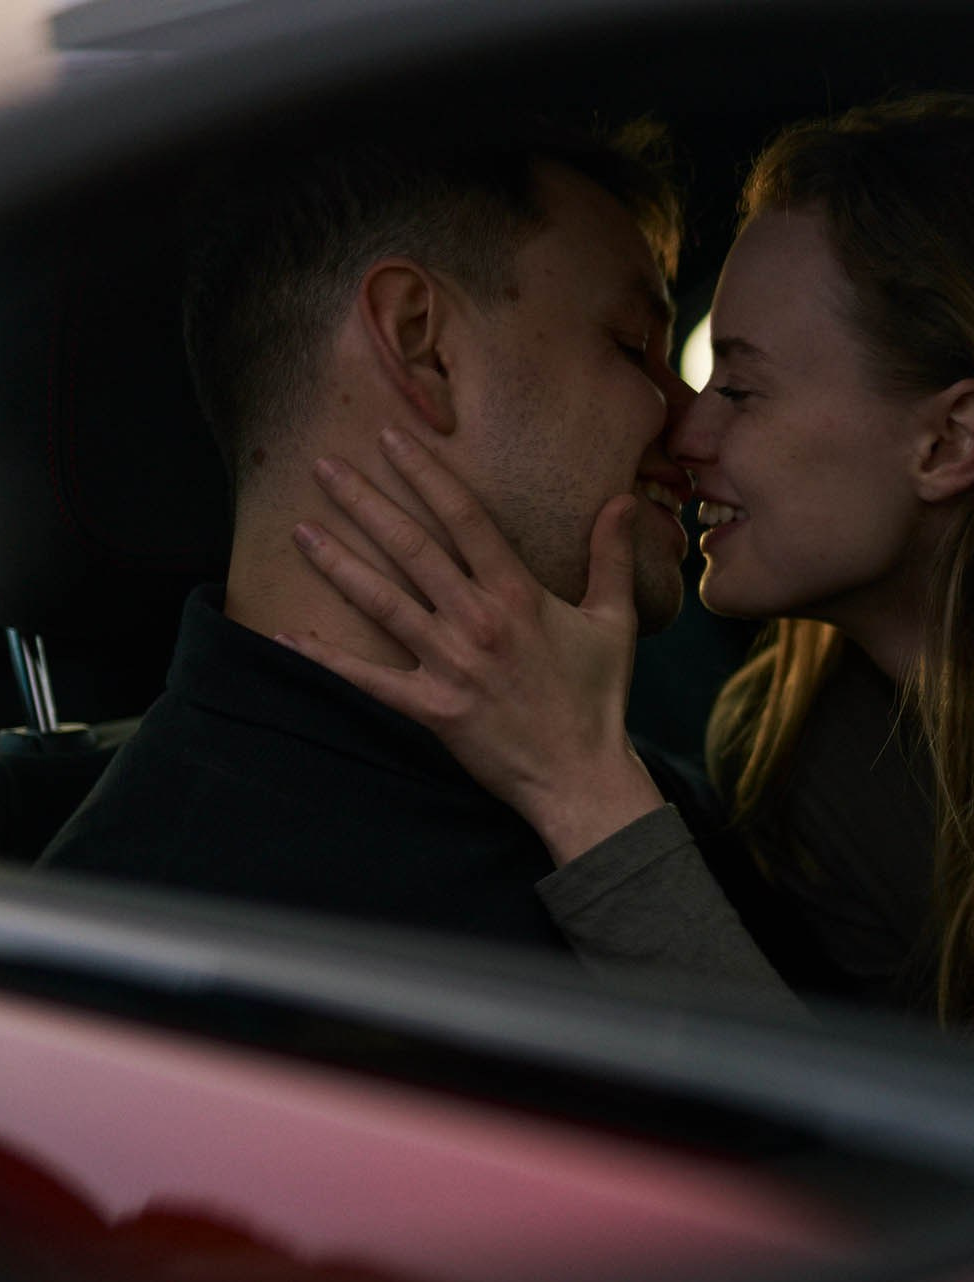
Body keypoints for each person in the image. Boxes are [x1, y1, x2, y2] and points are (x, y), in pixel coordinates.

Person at [281, 95, 974, 1051]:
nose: (682, 427)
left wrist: (584, 790)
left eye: (738, 387)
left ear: (946, 442)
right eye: (647, 358)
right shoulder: (795, 758)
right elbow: (861, 1135)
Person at [40, 115, 750, 962]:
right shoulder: (139, 953)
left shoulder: (642, 790)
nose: (691, 418)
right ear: (420, 345)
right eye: (634, 347)